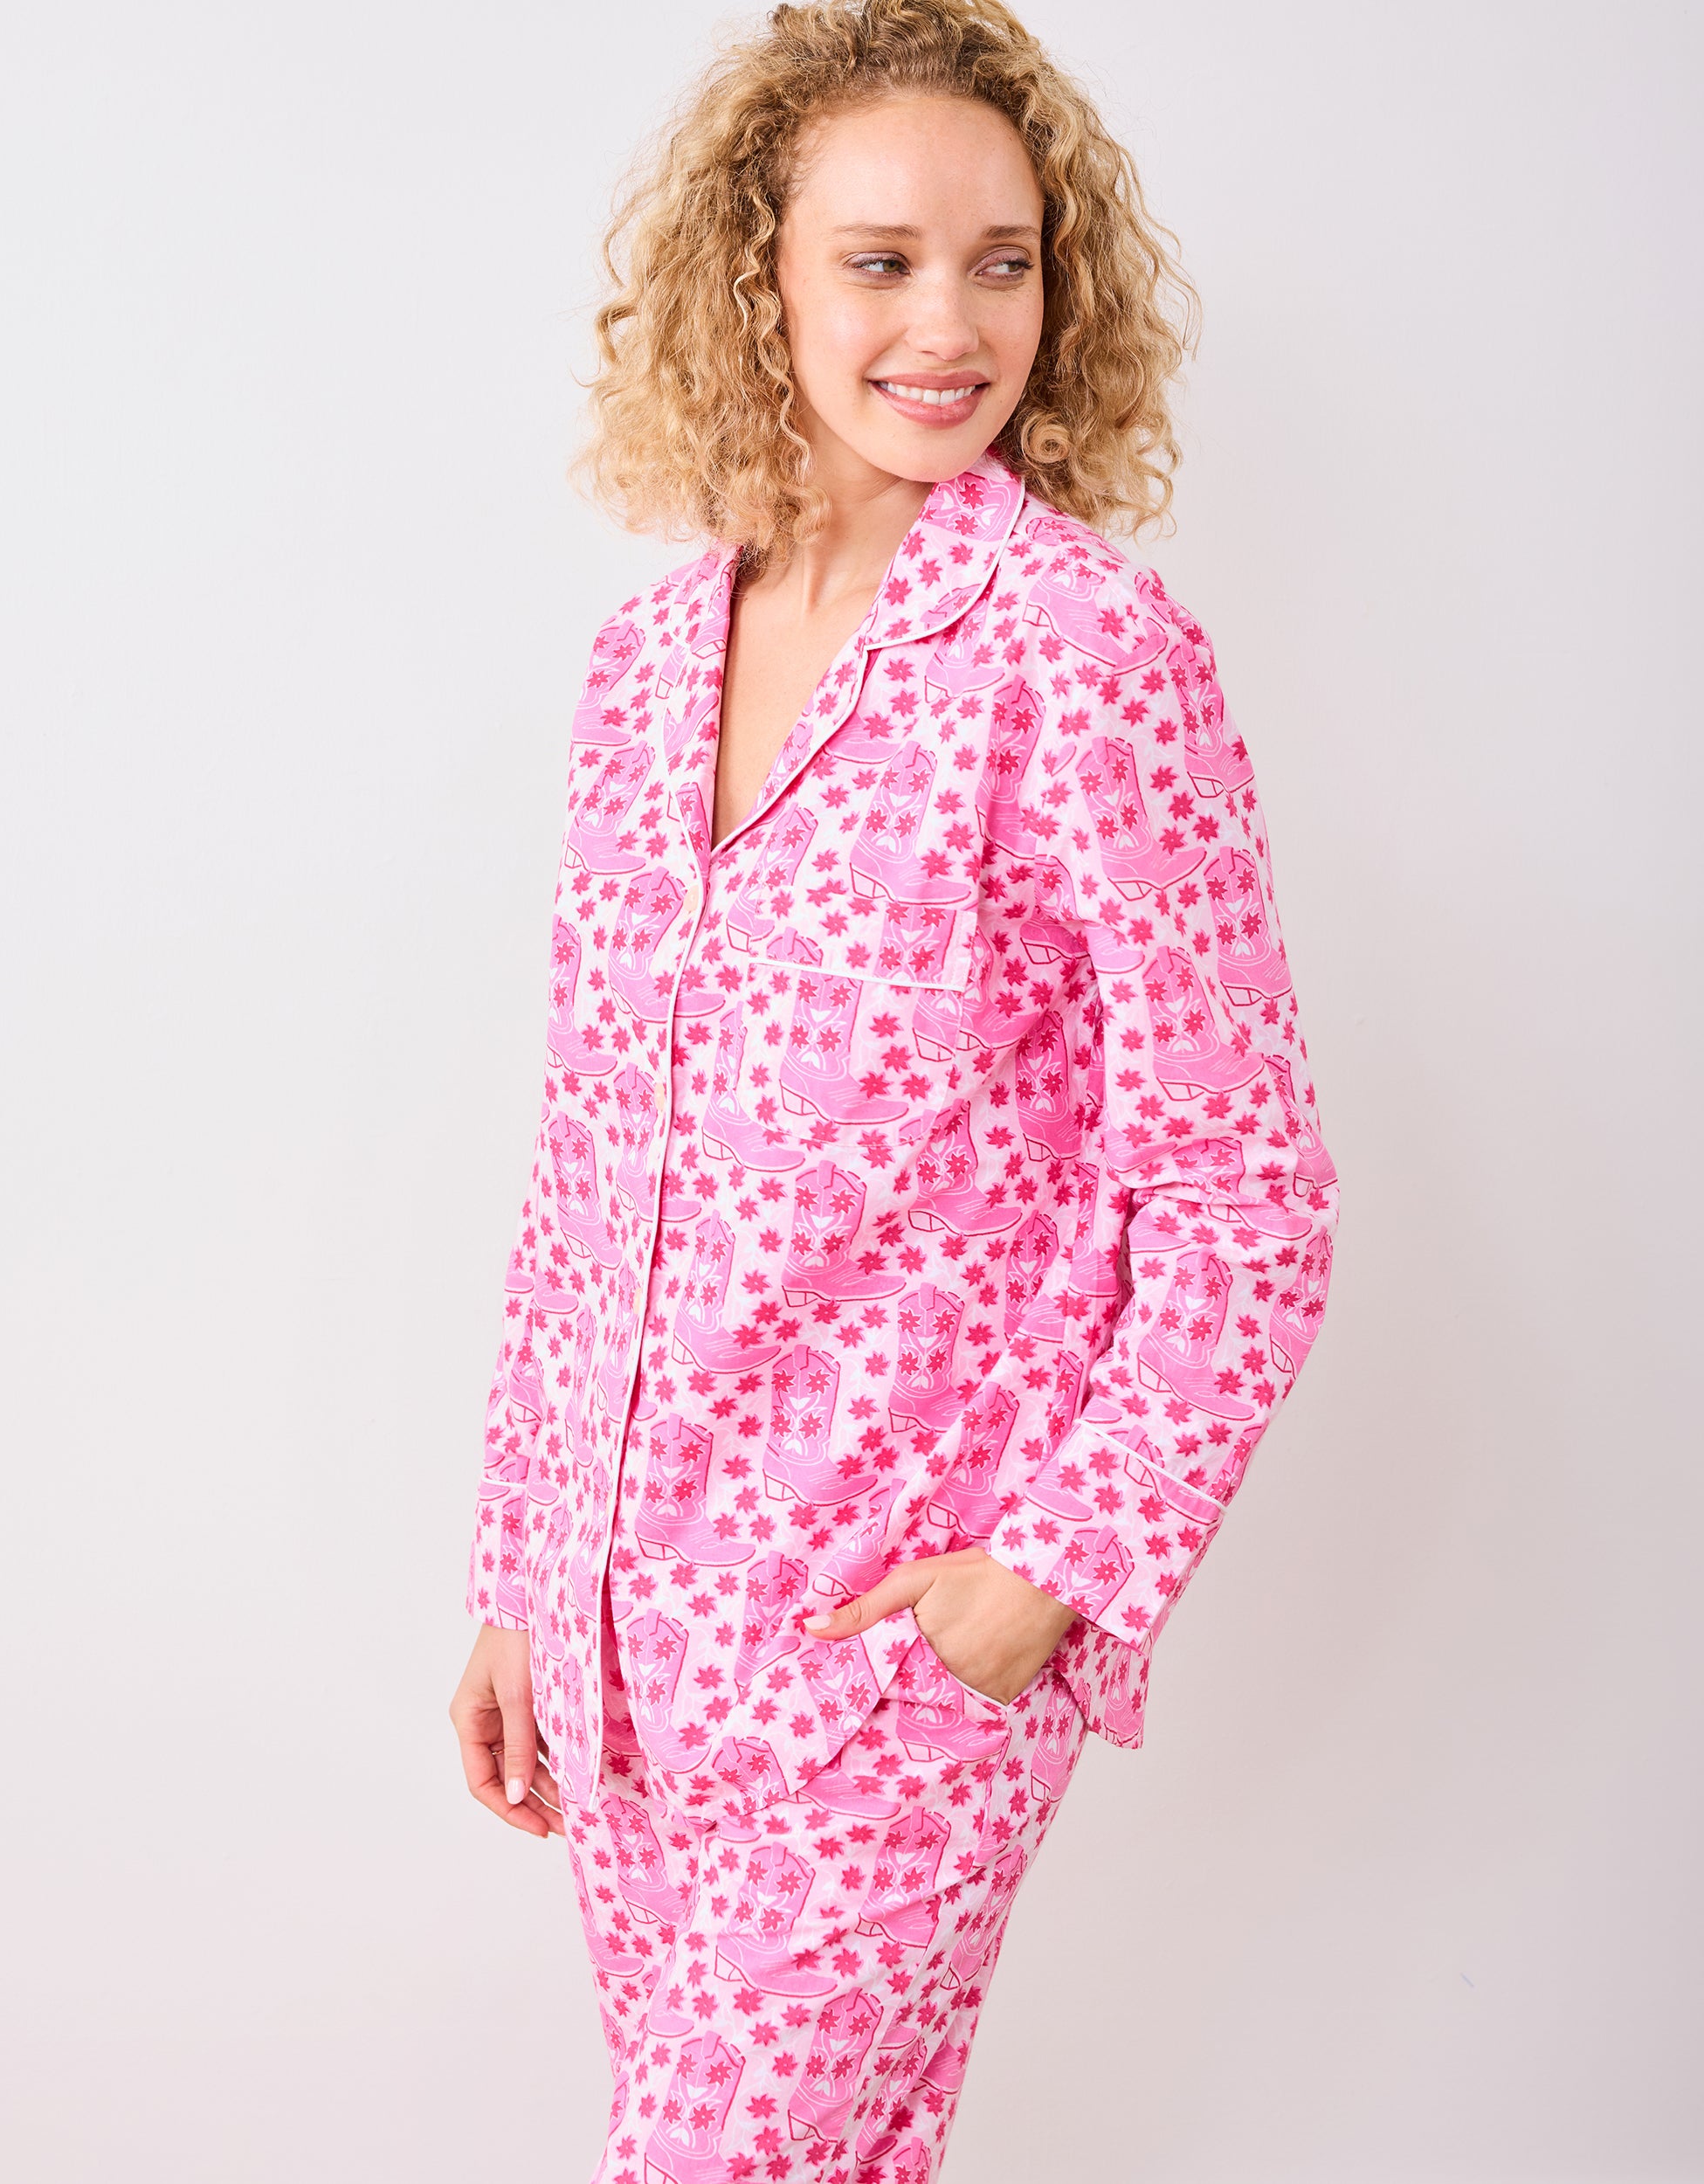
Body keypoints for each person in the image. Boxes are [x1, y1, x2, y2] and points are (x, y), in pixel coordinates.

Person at [449, 3, 1339, 2177]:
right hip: (632, 1630)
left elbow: (1245, 1195)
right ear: (755, 278)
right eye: (879, 260)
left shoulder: (1087, 656)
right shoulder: (644, 664)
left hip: (886, 1651)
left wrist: (1047, 1570)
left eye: (1001, 262)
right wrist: (520, 1570)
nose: (950, 324)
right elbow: (591, 1167)